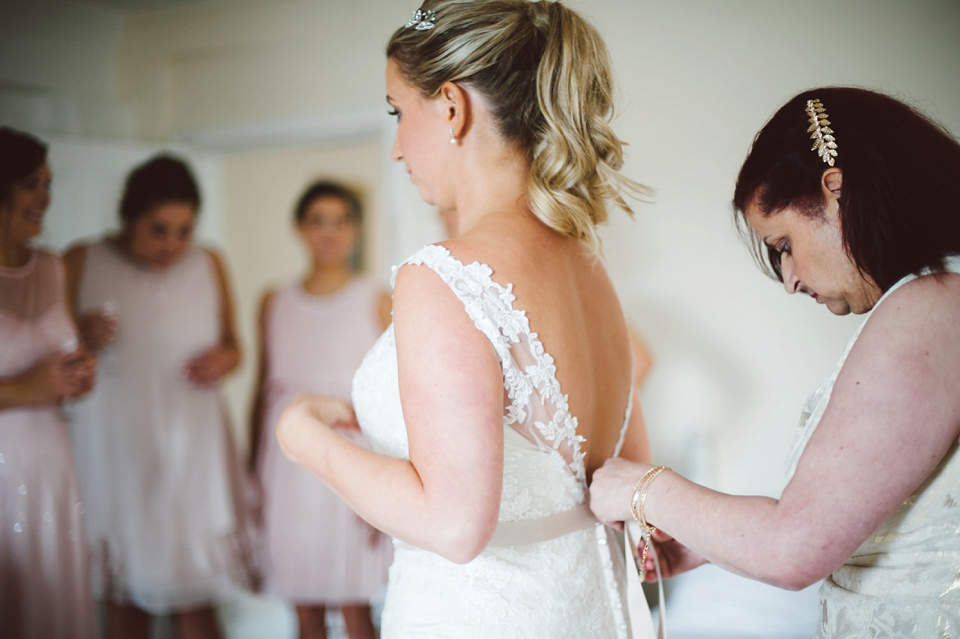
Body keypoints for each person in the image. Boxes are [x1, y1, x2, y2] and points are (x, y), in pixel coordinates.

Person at [276, 1, 653, 637]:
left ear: (451, 106)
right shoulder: (591, 268)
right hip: (591, 611)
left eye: (399, 112)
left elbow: (453, 526)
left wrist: (302, 437)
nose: (396, 148)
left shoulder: (445, 275)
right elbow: (627, 479)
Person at [589, 87, 960, 638]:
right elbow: (849, 517)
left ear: (837, 191)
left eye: (783, 243)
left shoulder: (931, 305)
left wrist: (644, 486)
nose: (788, 280)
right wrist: (708, 540)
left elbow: (793, 547)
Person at [63, 154, 256, 639]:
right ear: (129, 217)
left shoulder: (208, 261)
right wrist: (77, 335)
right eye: (159, 229)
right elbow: (51, 357)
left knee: (198, 603)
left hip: (193, 445)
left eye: (184, 230)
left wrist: (222, 360)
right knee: (128, 602)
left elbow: (236, 347)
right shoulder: (82, 260)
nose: (173, 244)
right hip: (119, 449)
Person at [249, 180, 392, 639]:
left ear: (355, 230)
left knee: (354, 607)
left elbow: (392, 394)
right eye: (317, 221)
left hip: (350, 457)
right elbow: (262, 387)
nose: (329, 233)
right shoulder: (275, 301)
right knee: (303, 608)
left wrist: (387, 479)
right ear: (300, 228)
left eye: (341, 221)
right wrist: (252, 467)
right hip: (287, 468)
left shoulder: (377, 298)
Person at [0, 127, 98, 638]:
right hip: (2, 465)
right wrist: (27, 389)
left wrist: (76, 373)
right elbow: (31, 378)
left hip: (53, 458)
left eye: (48, 184)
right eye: (30, 184)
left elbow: (57, 355)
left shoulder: (53, 266)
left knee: (53, 592)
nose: (45, 198)